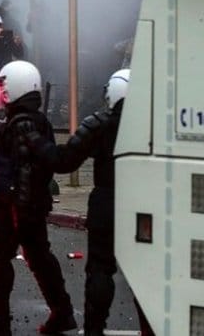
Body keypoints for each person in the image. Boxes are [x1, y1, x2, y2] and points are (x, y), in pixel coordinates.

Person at [27, 69, 154, 336]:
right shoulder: (154, 124)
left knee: (99, 269)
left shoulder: (100, 123)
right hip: (145, 204)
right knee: (147, 275)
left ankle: (94, 331)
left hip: (106, 202)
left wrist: (35, 141)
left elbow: (64, 160)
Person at [0, 61, 76, 335]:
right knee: (39, 257)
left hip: (18, 207)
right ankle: (62, 313)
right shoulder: (27, 120)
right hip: (26, 205)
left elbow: (26, 170)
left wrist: (18, 211)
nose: (1, 91)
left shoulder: (23, 123)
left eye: (4, 85)